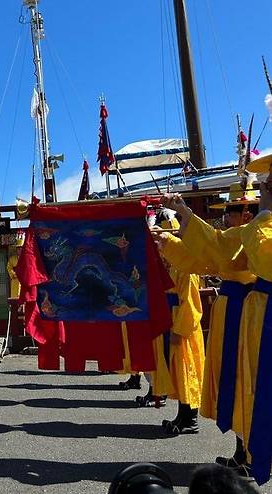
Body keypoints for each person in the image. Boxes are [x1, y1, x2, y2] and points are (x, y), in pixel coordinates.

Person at [162, 155, 272, 484]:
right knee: (242, 385)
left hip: (258, 316)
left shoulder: (259, 227)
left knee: (255, 386)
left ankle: (255, 454)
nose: (228, 218)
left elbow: (266, 262)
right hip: (247, 315)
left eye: (234, 210)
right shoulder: (254, 229)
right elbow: (216, 252)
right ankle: (247, 452)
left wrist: (262, 216)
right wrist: (183, 217)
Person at [152, 215, 205, 434]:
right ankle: (182, 415)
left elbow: (191, 303)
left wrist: (180, 330)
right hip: (171, 318)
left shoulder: (186, 268)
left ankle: (190, 419)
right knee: (175, 370)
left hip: (184, 325)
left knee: (187, 369)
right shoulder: (172, 266)